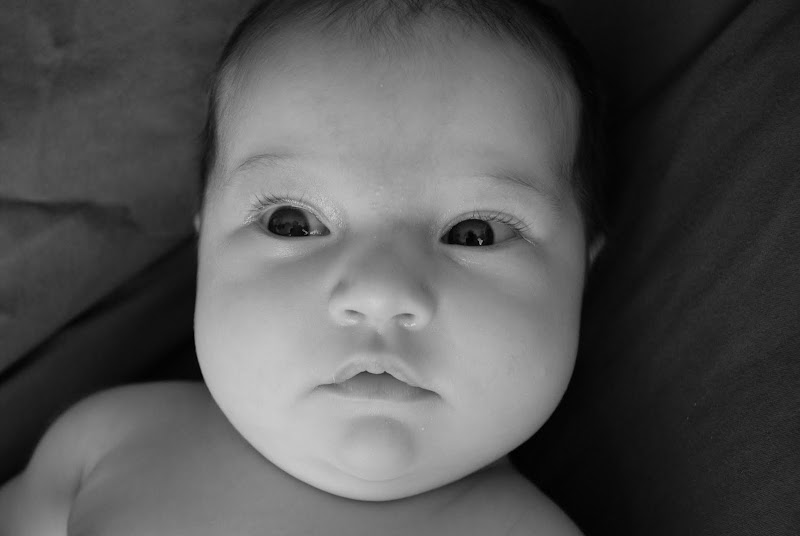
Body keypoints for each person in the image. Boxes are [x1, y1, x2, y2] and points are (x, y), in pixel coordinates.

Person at [0, 0, 606, 533]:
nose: (380, 292)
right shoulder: (111, 442)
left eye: (475, 234)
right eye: (291, 223)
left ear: (584, 271)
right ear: (204, 243)